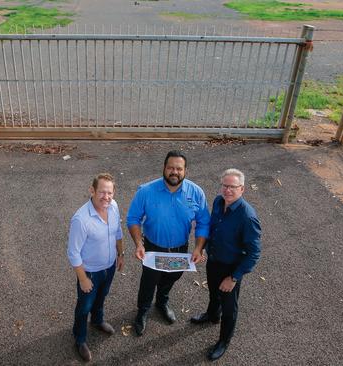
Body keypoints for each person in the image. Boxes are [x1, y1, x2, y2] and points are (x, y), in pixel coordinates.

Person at [126, 150, 210, 336]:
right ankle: (143, 310)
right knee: (149, 281)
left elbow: (204, 222)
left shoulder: (196, 193)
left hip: (180, 250)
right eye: (171, 167)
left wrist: (198, 247)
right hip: (153, 248)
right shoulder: (146, 191)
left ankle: (162, 302)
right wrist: (139, 244)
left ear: (185, 170)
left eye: (179, 168)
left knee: (172, 276)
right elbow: (133, 218)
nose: (174, 172)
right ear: (163, 168)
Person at [190, 168, 261, 361]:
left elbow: (254, 253)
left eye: (233, 187)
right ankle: (212, 315)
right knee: (214, 293)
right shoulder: (218, 201)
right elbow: (214, 228)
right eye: (225, 185)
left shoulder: (247, 217)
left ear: (242, 189)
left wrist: (234, 278)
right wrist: (203, 247)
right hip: (214, 261)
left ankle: (223, 341)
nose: (228, 190)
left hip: (231, 269)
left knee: (230, 308)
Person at [67, 173, 124, 362]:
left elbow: (118, 232)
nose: (106, 197)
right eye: (102, 192)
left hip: (109, 267)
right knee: (84, 306)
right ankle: (80, 338)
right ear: (92, 191)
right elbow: (73, 253)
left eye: (110, 193)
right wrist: (83, 279)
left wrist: (120, 254)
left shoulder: (113, 207)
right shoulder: (81, 219)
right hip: (90, 272)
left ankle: (98, 320)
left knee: (102, 296)